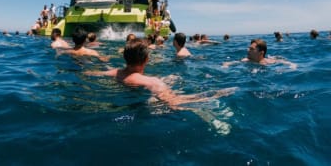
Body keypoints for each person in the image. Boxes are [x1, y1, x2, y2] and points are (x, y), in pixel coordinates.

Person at [85, 38, 237, 133]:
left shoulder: (114, 73)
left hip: (128, 105)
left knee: (169, 79)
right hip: (149, 114)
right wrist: (211, 95)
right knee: (173, 94)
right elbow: (176, 104)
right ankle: (211, 115)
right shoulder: (153, 82)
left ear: (125, 57)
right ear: (146, 60)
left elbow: (89, 74)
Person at [223, 39, 297, 69]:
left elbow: (287, 63)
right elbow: (229, 63)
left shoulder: (269, 61)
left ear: (261, 52)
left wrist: (292, 66)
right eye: (248, 48)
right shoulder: (246, 60)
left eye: (251, 49)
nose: (248, 50)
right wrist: (226, 65)